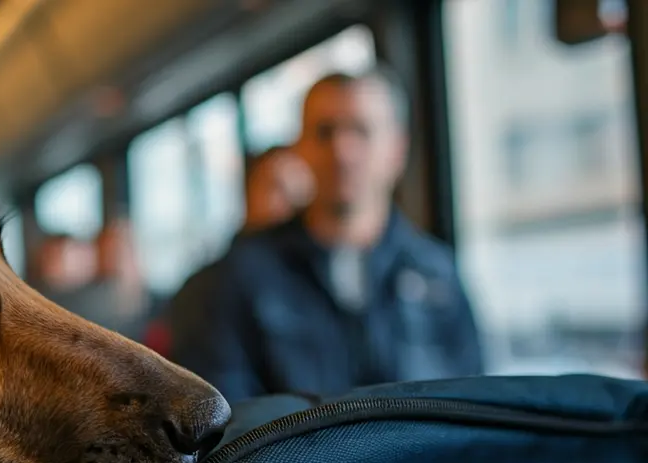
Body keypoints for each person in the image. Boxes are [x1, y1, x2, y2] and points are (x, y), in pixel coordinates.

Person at [169, 67, 484, 401]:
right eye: (324, 132)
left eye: (361, 131)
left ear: (396, 149)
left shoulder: (437, 275)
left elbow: (472, 404)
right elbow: (229, 420)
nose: (342, 151)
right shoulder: (241, 278)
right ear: (300, 148)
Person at [158, 146, 313, 360]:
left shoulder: (318, 284)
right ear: (248, 195)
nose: (292, 205)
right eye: (278, 189)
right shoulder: (207, 289)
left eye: (302, 194)